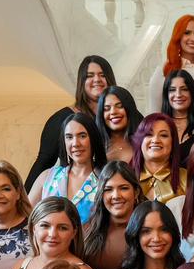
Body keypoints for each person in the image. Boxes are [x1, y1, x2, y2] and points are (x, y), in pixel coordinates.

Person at [26, 54, 113, 190]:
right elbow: (43, 162)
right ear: (81, 82)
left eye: (102, 75)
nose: (97, 79)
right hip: (72, 190)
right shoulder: (62, 118)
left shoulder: (118, 116)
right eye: (90, 76)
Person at [29, 111, 107, 220]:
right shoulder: (47, 177)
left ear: (93, 139)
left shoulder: (106, 179)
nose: (75, 143)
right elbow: (24, 219)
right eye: (69, 137)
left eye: (82, 136)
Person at [81, 161, 143, 269]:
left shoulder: (148, 230)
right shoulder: (86, 230)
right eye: (108, 189)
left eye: (123, 188)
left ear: (136, 192)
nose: (116, 196)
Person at [148, 15, 194, 113]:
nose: (193, 38)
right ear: (178, 37)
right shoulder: (164, 70)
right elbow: (155, 114)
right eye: (187, 33)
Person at [134, 112, 189, 201]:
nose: (155, 140)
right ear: (140, 140)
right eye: (149, 134)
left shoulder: (186, 178)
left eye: (163, 135)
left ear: (173, 142)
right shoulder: (126, 177)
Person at [159, 68, 194, 163]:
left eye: (184, 89)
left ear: (192, 93)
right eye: (172, 90)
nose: (178, 94)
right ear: (166, 95)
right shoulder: (156, 126)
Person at [98, 85, 142, 166]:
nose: (113, 112)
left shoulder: (144, 140)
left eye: (119, 106)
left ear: (129, 109)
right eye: (107, 109)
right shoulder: (96, 146)